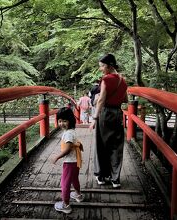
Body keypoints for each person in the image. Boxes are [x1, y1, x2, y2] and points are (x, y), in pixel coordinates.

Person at [90, 53, 128, 188]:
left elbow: (101, 100)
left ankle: (101, 176)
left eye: (102, 66)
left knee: (101, 144)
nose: (101, 69)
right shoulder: (123, 80)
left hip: (105, 114)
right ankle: (115, 179)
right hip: (117, 113)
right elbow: (126, 100)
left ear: (109, 65)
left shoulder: (106, 79)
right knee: (116, 146)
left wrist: (95, 117)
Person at [51, 107, 84, 214]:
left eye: (64, 121)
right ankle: (78, 195)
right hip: (75, 161)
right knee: (74, 179)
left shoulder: (68, 134)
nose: (61, 123)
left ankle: (65, 205)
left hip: (70, 162)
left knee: (65, 183)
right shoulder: (71, 131)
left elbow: (68, 149)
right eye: (60, 121)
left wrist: (57, 156)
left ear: (71, 120)